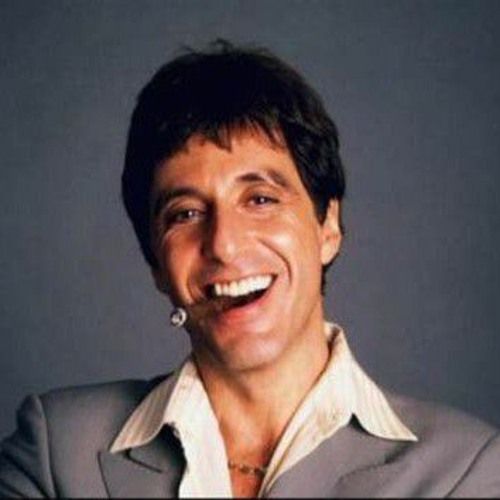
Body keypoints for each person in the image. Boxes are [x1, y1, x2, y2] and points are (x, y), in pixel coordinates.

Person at [1, 40, 499, 498]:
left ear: (328, 226)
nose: (224, 244)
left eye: (260, 199)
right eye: (185, 214)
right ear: (155, 263)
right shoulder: (56, 451)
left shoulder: (465, 470)